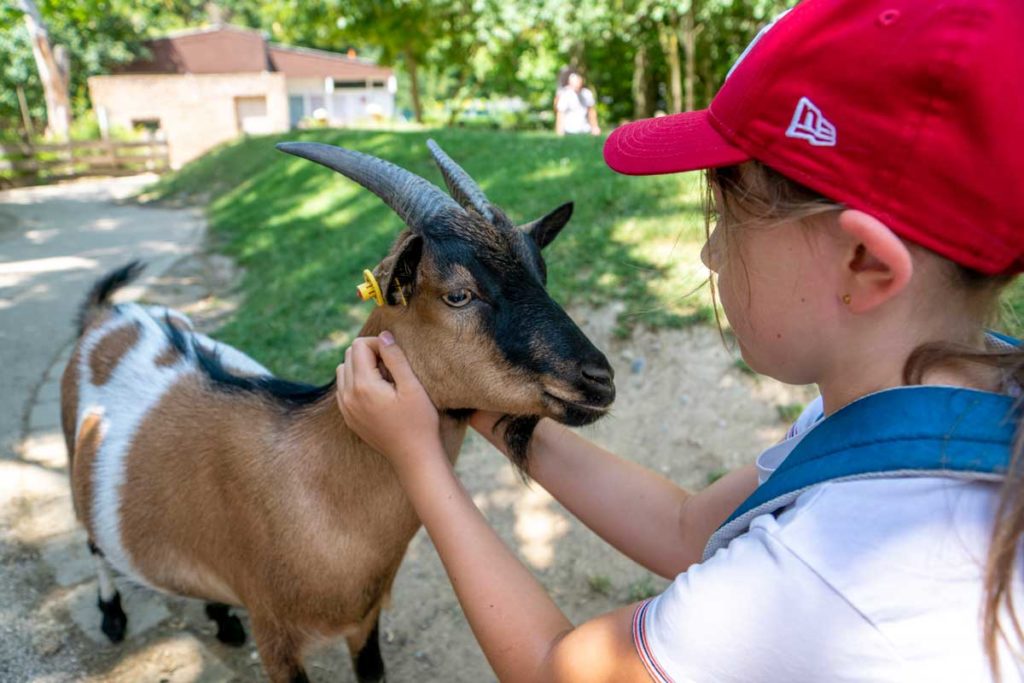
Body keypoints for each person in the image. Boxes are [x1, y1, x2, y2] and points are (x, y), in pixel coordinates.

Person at [335, 0, 1024, 680]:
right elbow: (684, 526)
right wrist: (488, 404)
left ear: (864, 263)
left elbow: (555, 670)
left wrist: (420, 458)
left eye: (725, 216)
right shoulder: (937, 395)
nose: (709, 254)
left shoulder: (828, 575)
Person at [555, 68, 600, 136]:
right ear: (569, 83)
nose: (576, 84)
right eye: (574, 82)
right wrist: (559, 131)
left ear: (581, 82)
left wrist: (595, 127)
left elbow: (591, 111)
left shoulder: (587, 94)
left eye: (578, 82)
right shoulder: (565, 94)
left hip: (585, 130)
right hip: (569, 130)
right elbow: (560, 113)